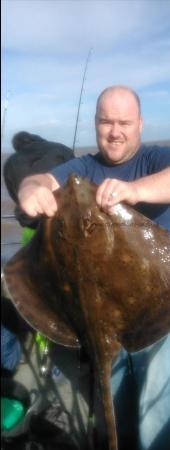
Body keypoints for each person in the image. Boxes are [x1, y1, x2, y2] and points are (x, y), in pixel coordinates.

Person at [17, 86, 170, 450]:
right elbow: (42, 181)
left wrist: (135, 191)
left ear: (139, 125)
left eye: (124, 122)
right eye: (106, 122)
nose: (115, 131)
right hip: (99, 313)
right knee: (112, 391)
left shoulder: (157, 158)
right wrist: (30, 189)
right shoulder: (83, 169)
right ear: (96, 124)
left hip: (160, 302)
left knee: (155, 399)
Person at [2, 131, 75, 376]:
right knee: (67, 293)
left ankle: (44, 347)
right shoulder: (60, 145)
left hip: (33, 233)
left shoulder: (11, 163)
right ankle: (60, 362)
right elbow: (76, 180)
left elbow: (17, 196)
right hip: (66, 231)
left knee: (39, 293)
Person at [3, 131, 74, 228]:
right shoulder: (60, 148)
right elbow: (76, 178)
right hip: (66, 216)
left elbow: (15, 194)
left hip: (32, 221)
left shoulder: (10, 162)